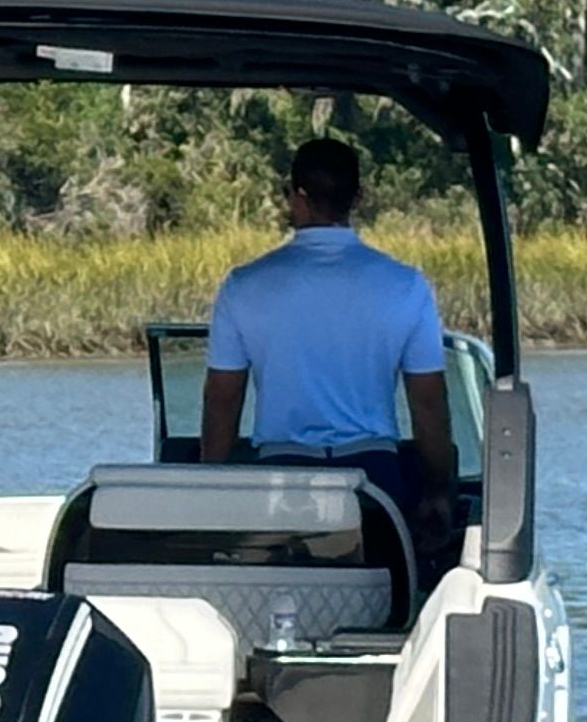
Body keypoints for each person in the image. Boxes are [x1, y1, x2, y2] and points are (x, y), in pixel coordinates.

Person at [196, 135, 462, 585]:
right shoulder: (405, 286)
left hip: (279, 485)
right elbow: (429, 405)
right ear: (358, 197)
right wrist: (438, 495)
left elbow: (223, 402)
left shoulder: (245, 285)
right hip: (374, 484)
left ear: (294, 196)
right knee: (383, 597)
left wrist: (214, 493)